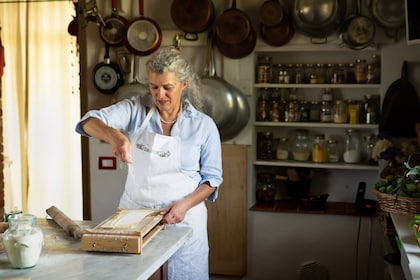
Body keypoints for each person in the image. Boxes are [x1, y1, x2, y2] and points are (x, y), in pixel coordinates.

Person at [75, 47, 223, 280]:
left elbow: (212, 179)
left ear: (183, 84)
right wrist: (116, 136)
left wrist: (184, 205)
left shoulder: (203, 126)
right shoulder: (135, 110)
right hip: (135, 220)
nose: (160, 94)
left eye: (167, 87)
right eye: (154, 87)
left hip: (184, 223)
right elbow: (87, 122)